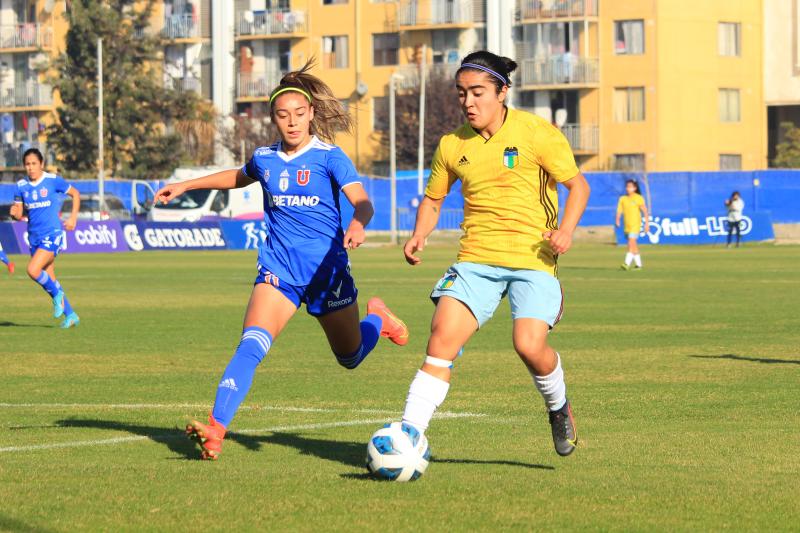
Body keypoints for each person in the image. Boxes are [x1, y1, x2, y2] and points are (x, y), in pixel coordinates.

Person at [153, 61, 409, 461]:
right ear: (273, 118)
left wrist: (358, 223)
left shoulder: (330, 157)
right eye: (283, 115)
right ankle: (216, 431)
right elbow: (237, 177)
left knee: (350, 357)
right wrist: (186, 184)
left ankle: (378, 317)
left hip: (327, 274)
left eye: (299, 114)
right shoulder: (265, 159)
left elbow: (362, 201)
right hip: (279, 272)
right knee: (250, 346)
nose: (291, 122)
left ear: (311, 115)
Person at [398, 51, 591, 457]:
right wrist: (419, 235)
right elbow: (433, 200)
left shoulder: (537, 133)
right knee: (441, 338)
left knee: (528, 345)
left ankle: (558, 406)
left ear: (502, 92)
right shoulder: (452, 144)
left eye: (478, 92)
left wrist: (566, 231)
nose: (468, 101)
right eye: (462, 93)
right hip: (475, 260)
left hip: (532, 257)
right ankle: (409, 436)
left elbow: (579, 187)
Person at [10, 148, 80, 328]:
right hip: (34, 238)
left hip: (52, 234)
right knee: (50, 279)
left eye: (34, 163)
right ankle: (71, 315)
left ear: (41, 164)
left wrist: (73, 218)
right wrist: (14, 213)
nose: (30, 167)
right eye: (27, 164)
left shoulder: (52, 180)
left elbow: (76, 194)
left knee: (33, 270)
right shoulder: (21, 186)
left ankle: (58, 296)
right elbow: (18, 213)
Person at [616, 179, 648, 270]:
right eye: (627, 186)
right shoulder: (623, 198)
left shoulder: (638, 198)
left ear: (634, 188)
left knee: (631, 242)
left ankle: (626, 263)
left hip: (635, 225)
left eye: (630, 187)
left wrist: (647, 224)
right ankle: (639, 265)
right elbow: (619, 210)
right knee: (633, 246)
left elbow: (645, 211)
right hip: (627, 225)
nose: (628, 188)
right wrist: (617, 220)